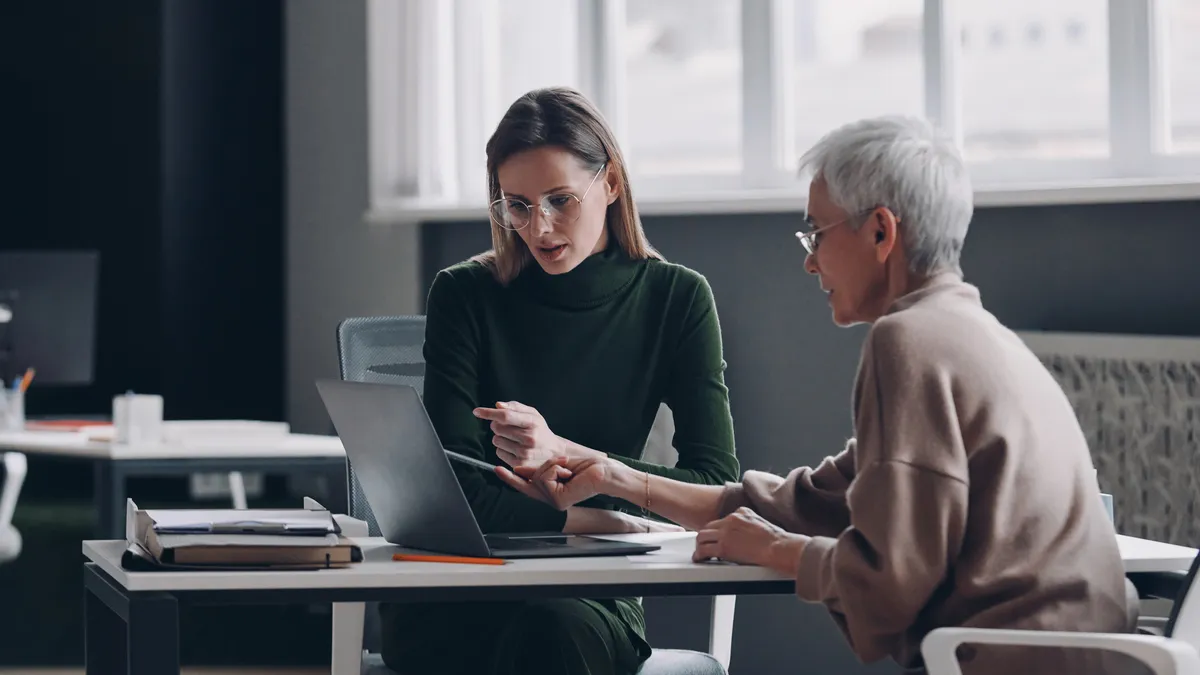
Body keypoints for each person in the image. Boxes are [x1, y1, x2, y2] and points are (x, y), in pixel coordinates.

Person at [499, 116, 1137, 674]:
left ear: (880, 233)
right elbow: (810, 502)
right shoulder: (972, 335)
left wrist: (776, 551)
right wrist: (615, 475)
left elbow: (891, 586)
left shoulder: (907, 343)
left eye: (818, 234)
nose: (809, 262)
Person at [379, 86, 741, 675]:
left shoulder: (676, 299)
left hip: (588, 598)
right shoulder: (465, 295)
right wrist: (603, 517)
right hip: (462, 588)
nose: (539, 227)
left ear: (613, 184)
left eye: (560, 200)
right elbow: (454, 497)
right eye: (516, 204)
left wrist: (587, 469)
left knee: (550, 632)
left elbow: (716, 493)